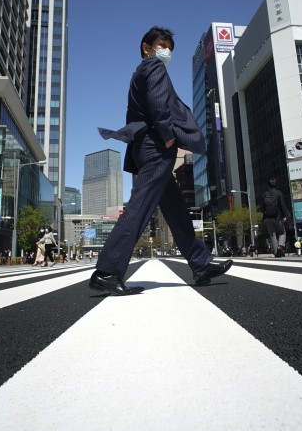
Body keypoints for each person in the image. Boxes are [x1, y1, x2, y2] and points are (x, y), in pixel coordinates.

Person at [94, 26, 232, 295]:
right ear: (147, 47)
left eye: (170, 47)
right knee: (140, 207)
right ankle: (108, 271)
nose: (166, 51)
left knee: (176, 210)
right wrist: (169, 137)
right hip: (157, 146)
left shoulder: (141, 72)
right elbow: (159, 104)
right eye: (161, 44)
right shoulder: (153, 67)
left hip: (148, 146)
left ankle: (201, 263)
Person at [262, 178, 289, 257]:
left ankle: (276, 252)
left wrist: (264, 218)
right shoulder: (278, 193)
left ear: (268, 185)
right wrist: (285, 216)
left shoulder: (265, 194)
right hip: (277, 217)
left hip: (268, 217)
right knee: (282, 232)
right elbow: (282, 205)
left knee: (272, 234)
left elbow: (263, 207)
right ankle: (280, 246)